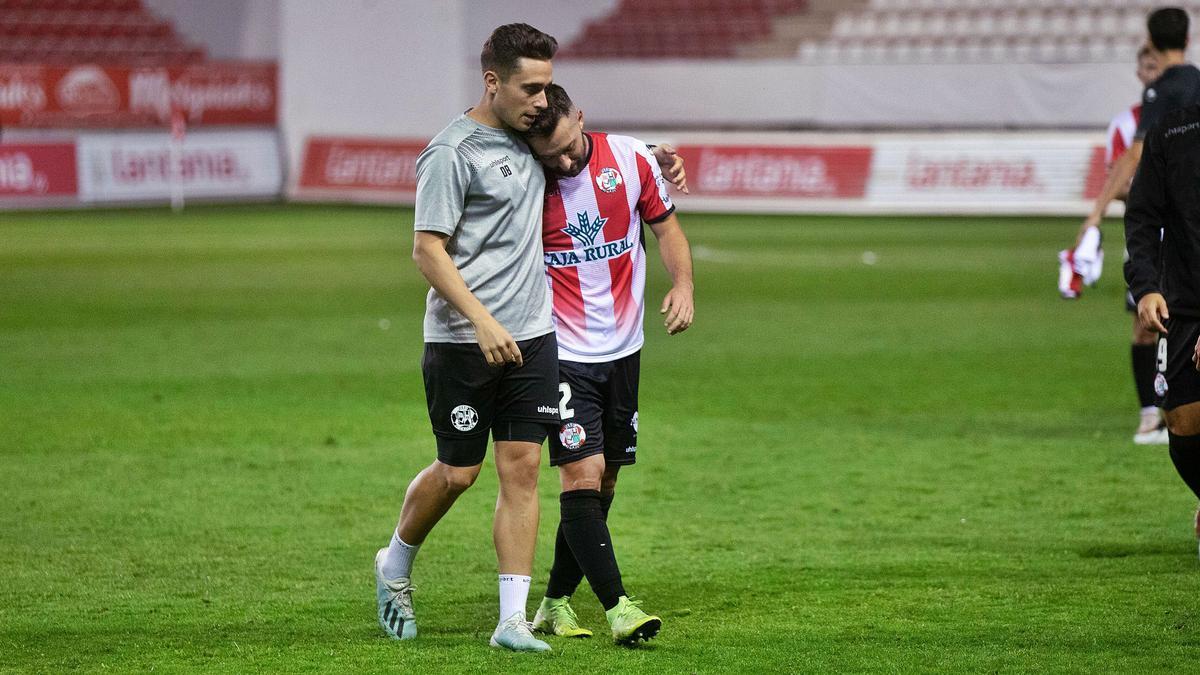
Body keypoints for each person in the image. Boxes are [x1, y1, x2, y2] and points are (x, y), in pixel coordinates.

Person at [373, 24, 689, 652]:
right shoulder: (452, 153)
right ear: (494, 82)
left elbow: (584, 148)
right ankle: (395, 562)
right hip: (465, 339)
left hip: (537, 341)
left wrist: (654, 152)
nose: (542, 101)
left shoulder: (533, 133)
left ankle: (513, 620)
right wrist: (481, 319)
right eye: (532, 87)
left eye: (548, 87)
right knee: (459, 474)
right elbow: (426, 250)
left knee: (523, 472)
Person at [521, 84, 695, 645]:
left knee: (606, 480)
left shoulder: (629, 158)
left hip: (624, 351)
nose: (564, 161)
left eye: (569, 145)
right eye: (551, 155)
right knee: (582, 474)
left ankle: (553, 603)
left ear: (580, 117)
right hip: (563, 354)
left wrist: (684, 284)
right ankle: (619, 607)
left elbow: (666, 228)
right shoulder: (526, 177)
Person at [1124, 10, 1200, 558]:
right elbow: (1143, 216)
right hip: (1186, 297)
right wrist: (1147, 286)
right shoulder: (1174, 134)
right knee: (1183, 421)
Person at [1064, 46, 1164, 443]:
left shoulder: (1186, 114)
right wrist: (1155, 196)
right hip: (1145, 240)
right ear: (1139, 74)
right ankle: (1148, 416)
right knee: (1145, 327)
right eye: (1148, 67)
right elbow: (1116, 183)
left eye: (1160, 65)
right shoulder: (1126, 124)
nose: (1155, 73)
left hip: (1185, 240)